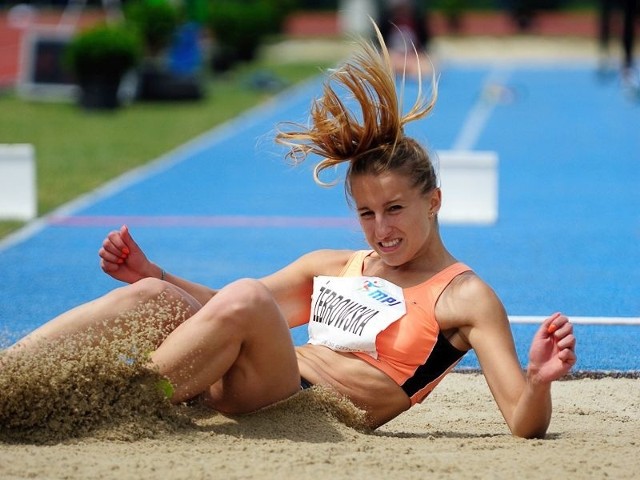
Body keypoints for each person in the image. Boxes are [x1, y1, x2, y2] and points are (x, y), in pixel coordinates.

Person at [1, 24, 576, 438]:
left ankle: (88, 403)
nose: (382, 229)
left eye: (396, 209)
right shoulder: (333, 265)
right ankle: (13, 379)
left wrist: (540, 379)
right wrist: (156, 275)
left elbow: (522, 423)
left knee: (250, 295)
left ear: (435, 202)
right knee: (152, 296)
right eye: (367, 214)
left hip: (307, 406)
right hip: (251, 375)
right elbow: (225, 312)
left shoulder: (465, 296)